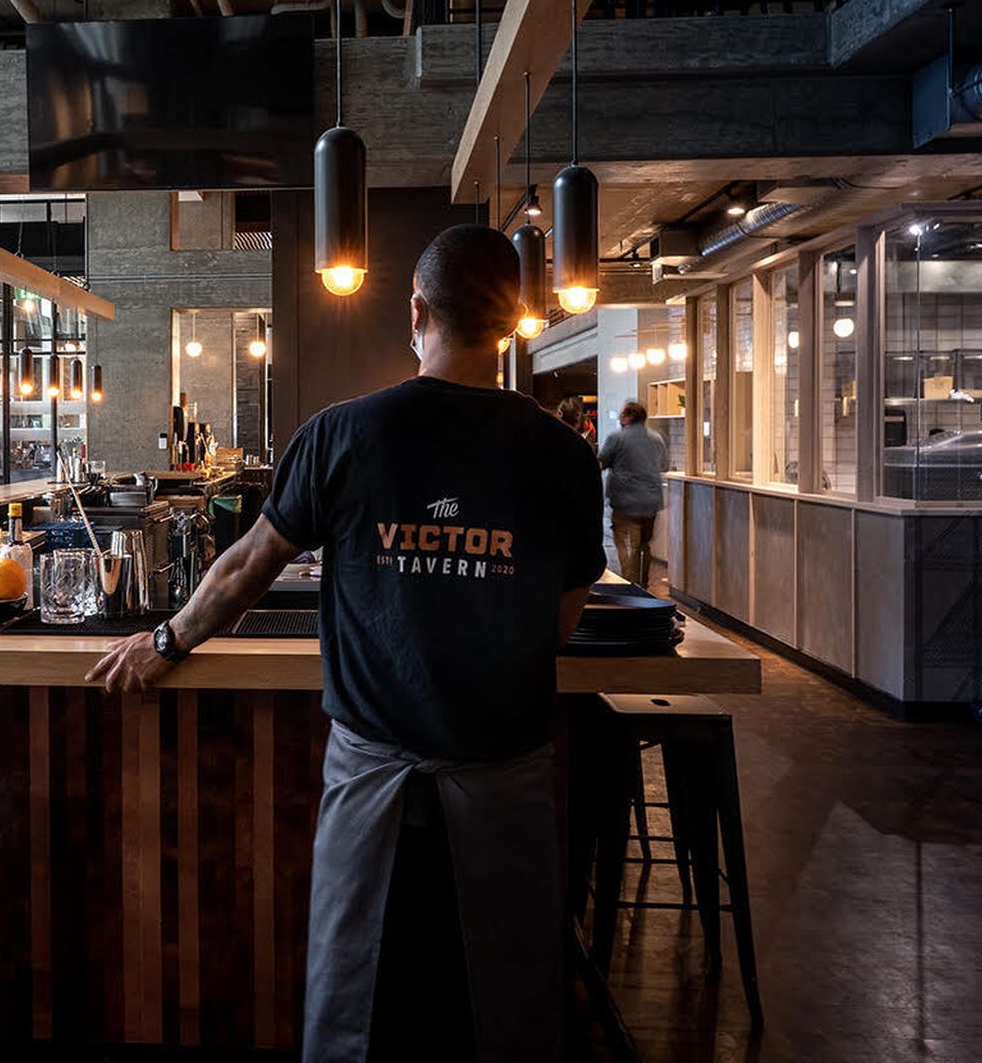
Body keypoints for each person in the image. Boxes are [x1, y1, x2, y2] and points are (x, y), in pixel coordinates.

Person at [86, 225, 604, 1062]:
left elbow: (250, 564)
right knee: (508, 1011)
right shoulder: (560, 452)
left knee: (354, 1012)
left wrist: (165, 643)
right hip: (505, 767)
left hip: (372, 770)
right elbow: (563, 615)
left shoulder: (344, 432)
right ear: (512, 322)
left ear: (415, 310)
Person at [597, 399, 669, 588]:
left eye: (623, 414)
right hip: (651, 504)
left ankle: (630, 586)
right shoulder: (656, 439)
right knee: (644, 546)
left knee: (626, 546)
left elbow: (601, 463)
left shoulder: (616, 438)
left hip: (625, 503)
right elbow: (664, 465)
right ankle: (643, 586)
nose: (620, 418)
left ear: (628, 417)